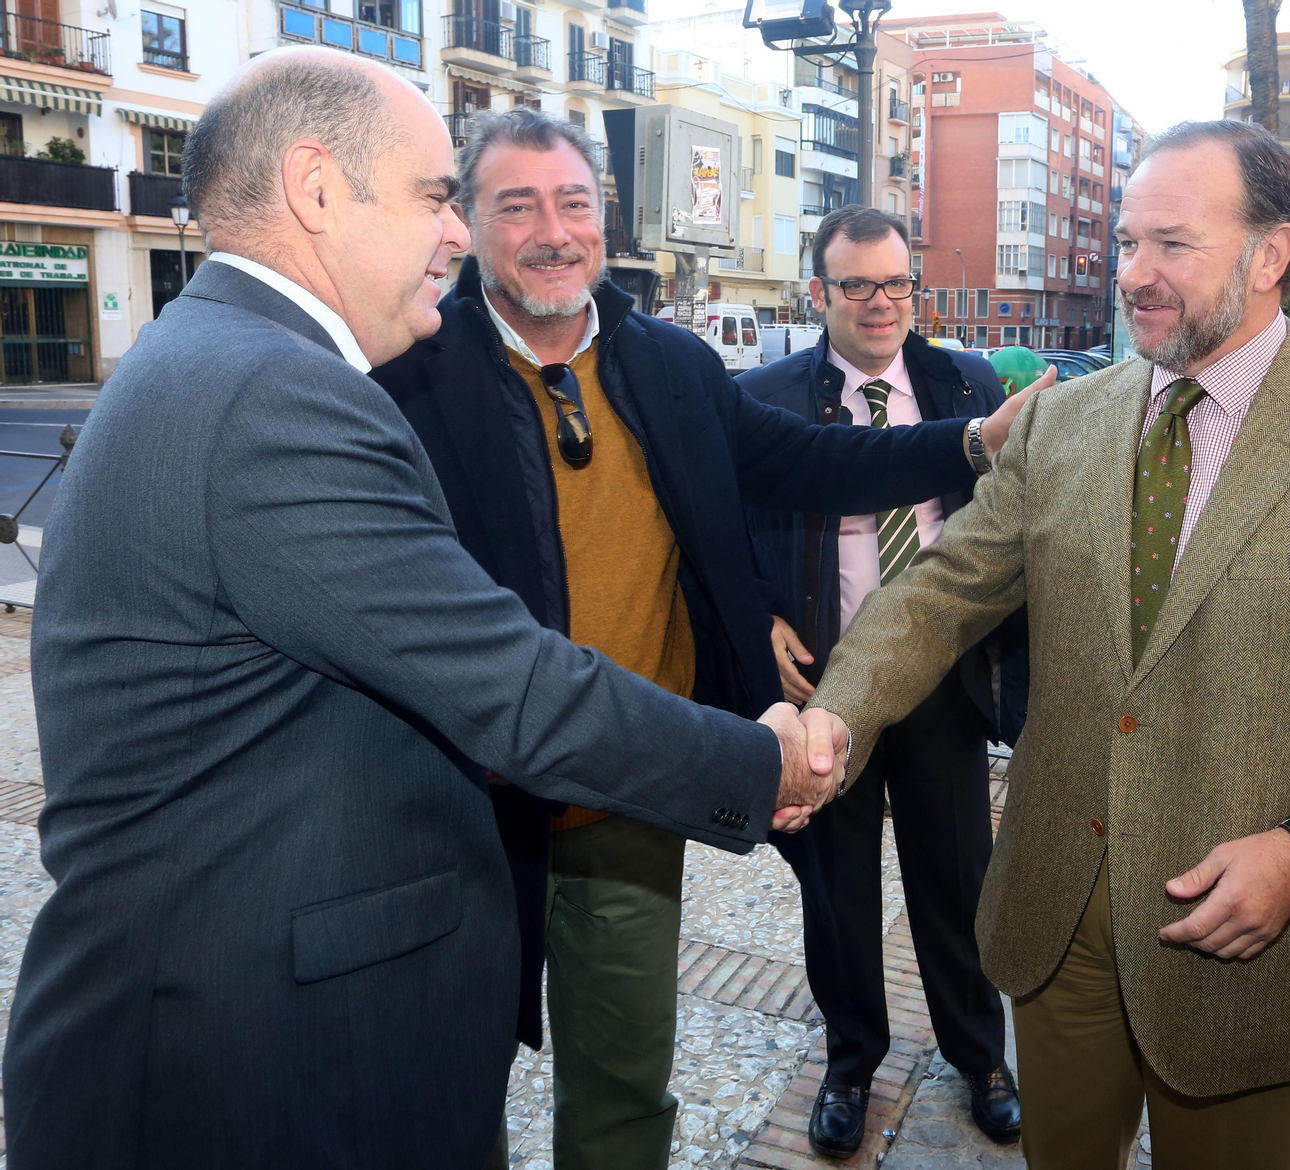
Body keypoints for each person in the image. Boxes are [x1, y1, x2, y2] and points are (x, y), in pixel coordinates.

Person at [3, 49, 847, 1170]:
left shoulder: (220, 360)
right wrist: (759, 762)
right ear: (315, 188)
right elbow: (512, 686)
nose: (457, 238)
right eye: (435, 197)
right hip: (257, 1066)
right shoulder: (278, 397)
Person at [804, 119, 1290, 1169]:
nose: (1134, 277)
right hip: (1058, 927)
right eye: (1125, 244)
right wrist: (837, 713)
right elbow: (938, 595)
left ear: (1270, 253)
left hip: (1252, 947)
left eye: (1171, 245)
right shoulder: (1059, 424)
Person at [367, 111, 1040, 1170]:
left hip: (627, 802)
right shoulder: (402, 378)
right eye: (517, 205)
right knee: (445, 1092)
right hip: (458, 809)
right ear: (466, 222)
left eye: (574, 203)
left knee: (626, 1084)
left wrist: (966, 440)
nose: (553, 231)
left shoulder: (672, 369)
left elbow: (814, 466)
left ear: (608, 221)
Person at [739, 206, 1031, 1156]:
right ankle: (850, 1064)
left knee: (958, 880)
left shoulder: (965, 382)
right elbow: (719, 524)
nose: (880, 304)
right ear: (819, 292)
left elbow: (1013, 520)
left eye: (897, 283)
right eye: (857, 285)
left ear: (918, 288)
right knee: (839, 891)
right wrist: (760, 612)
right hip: (828, 687)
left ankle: (979, 1054)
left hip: (942, 682)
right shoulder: (772, 396)